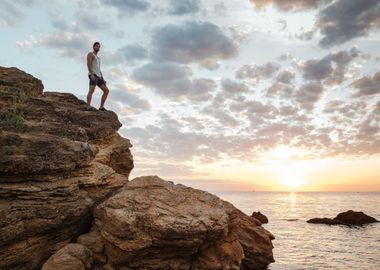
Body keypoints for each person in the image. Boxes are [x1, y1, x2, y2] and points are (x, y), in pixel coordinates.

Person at [86, 41, 109, 111]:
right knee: (91, 91)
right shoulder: (91, 54)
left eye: (99, 46)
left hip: (99, 76)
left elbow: (99, 69)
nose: (98, 47)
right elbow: (88, 64)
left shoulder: (98, 58)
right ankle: (88, 106)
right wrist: (91, 74)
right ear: (93, 47)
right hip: (93, 75)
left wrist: (103, 79)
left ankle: (101, 107)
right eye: (96, 46)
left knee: (106, 91)